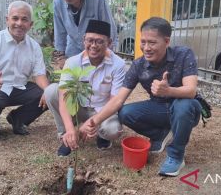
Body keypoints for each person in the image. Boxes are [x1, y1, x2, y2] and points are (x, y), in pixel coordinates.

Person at [80, 17, 202, 176]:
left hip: (187, 109)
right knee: (125, 112)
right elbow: (118, 99)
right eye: (143, 42)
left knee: (183, 106)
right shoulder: (138, 65)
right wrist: (93, 122)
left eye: (152, 42)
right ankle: (161, 135)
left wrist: (169, 90)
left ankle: (176, 156)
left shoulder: (183, 54)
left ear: (166, 41)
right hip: (160, 109)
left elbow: (191, 91)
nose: (146, 48)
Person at [44, 19, 125, 156]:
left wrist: (91, 123)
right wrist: (71, 129)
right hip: (78, 108)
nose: (93, 45)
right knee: (51, 91)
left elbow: (114, 101)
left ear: (109, 43)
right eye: (90, 40)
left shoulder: (118, 64)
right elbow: (64, 97)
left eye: (99, 41)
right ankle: (67, 136)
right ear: (84, 40)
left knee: (112, 129)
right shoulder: (72, 62)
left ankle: (101, 136)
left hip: (102, 111)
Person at [0, 1, 49, 141]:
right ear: (7, 20)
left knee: (50, 95)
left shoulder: (34, 46)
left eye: (24, 19)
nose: (19, 23)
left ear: (30, 24)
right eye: (15, 18)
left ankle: (18, 119)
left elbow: (39, 74)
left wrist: (48, 91)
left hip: (20, 87)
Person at [53, 0, 118, 67]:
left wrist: (108, 54)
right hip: (73, 47)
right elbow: (59, 30)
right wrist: (61, 56)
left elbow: (108, 27)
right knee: (73, 79)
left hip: (96, 47)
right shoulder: (57, 0)